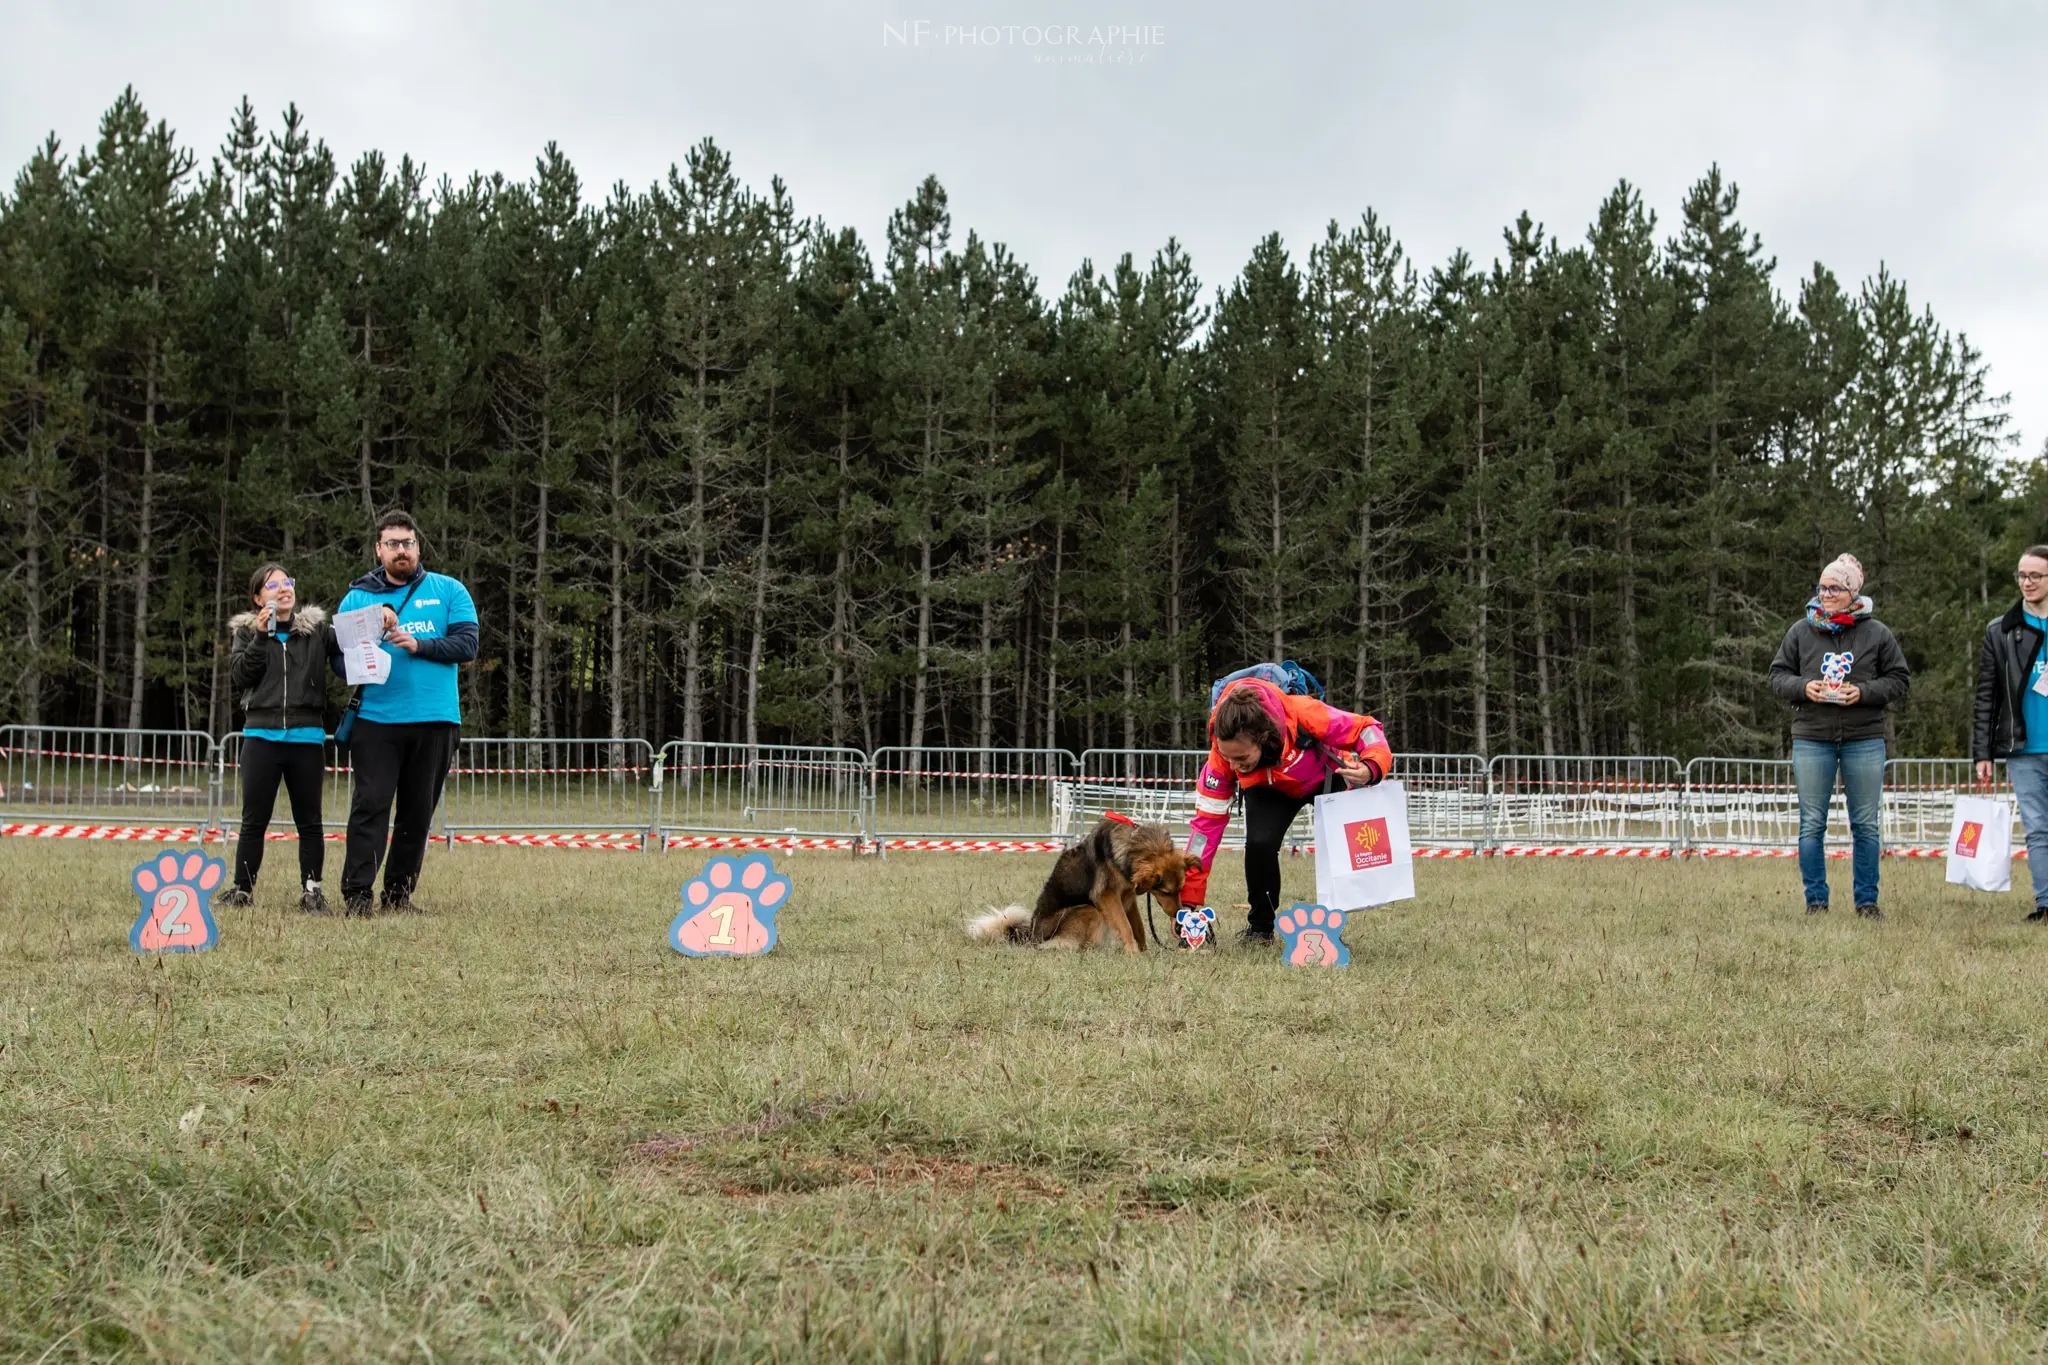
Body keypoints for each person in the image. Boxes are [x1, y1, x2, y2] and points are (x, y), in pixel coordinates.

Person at [336, 509, 479, 917]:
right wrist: (363, 653)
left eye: (409, 543)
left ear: (418, 546)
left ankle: (398, 896)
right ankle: (358, 896)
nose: (402, 551)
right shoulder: (358, 597)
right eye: (393, 544)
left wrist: (420, 646)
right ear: (378, 549)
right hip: (376, 720)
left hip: (435, 721)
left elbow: (467, 645)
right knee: (371, 807)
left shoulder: (449, 590)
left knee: (417, 814)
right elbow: (336, 659)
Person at [1183, 674, 1393, 945]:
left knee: (1337, 848)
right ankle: (1260, 929)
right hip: (1268, 788)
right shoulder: (1220, 759)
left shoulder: (1303, 712)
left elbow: (1366, 728)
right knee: (1259, 844)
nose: (1233, 766)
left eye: (1242, 757)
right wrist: (1187, 902)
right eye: (1227, 757)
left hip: (1326, 776)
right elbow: (1204, 833)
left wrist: (1371, 766)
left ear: (1263, 738)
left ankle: (1331, 930)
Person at [1767, 553, 1910, 919]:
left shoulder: (1877, 633)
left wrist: (1862, 692)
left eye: (1834, 587)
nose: (1826, 594)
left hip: (1864, 737)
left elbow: (1899, 680)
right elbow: (1777, 676)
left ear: (1852, 592)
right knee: (1812, 822)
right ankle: (1816, 902)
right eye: (1822, 587)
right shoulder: (1801, 630)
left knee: (1864, 822)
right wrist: (1804, 687)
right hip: (1813, 736)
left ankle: (1866, 902)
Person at [222, 563, 339, 914]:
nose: (284, 588)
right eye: (273, 585)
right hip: (262, 736)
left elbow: (352, 641)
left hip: (306, 737)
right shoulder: (246, 633)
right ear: (258, 598)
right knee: (254, 819)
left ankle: (312, 891)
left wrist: (381, 615)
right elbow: (241, 675)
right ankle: (242, 891)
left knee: (310, 821)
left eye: (287, 582)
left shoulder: (318, 631)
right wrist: (260, 636)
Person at [1972, 545, 2048, 922]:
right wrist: (1982, 753)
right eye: (2022, 575)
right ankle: (2046, 904)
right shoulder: (2000, 631)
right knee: (2037, 829)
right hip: (2026, 748)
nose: (2027, 582)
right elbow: (1987, 696)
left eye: (2035, 575)